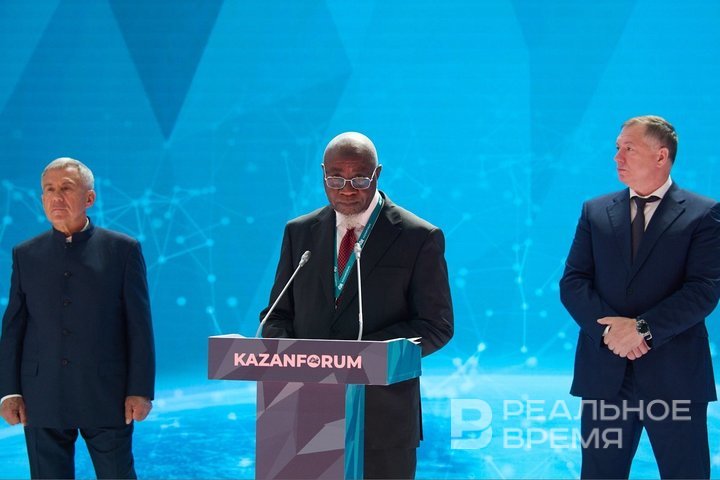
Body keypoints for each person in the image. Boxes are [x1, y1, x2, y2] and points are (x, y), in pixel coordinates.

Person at [260, 132, 454, 479]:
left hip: (382, 421)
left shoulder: (419, 236)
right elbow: (276, 316)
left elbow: (436, 325)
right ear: (323, 174)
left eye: (360, 179)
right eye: (336, 179)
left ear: (377, 174)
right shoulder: (299, 232)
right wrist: (297, 359)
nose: (347, 189)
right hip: (304, 414)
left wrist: (361, 359)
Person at [560, 116, 720, 479]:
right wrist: (611, 333)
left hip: (675, 378)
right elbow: (573, 282)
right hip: (605, 377)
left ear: (661, 156)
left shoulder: (703, 213)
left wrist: (642, 330)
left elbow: (703, 290)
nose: (617, 157)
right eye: (617, 148)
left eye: (628, 148)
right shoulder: (595, 211)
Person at [0, 158, 156, 479]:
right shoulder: (25, 254)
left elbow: (139, 327)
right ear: (42, 198)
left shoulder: (122, 250)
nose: (56, 197)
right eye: (49, 190)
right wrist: (9, 391)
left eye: (66, 188)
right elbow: (14, 328)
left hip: (107, 395)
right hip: (42, 396)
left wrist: (140, 389)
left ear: (89, 198)